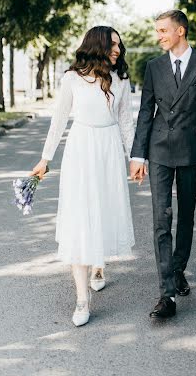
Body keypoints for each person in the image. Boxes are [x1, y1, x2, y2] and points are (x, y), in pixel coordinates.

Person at [130, 10, 196, 319]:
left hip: (192, 149)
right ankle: (166, 295)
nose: (159, 35)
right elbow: (146, 112)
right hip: (159, 149)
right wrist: (138, 155)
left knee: (186, 215)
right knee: (162, 219)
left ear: (180, 31)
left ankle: (177, 268)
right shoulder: (153, 67)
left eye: (163, 30)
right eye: (157, 30)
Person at [30, 26, 135, 327]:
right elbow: (59, 119)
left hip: (109, 148)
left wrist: (135, 158)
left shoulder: (121, 79)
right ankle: (81, 299)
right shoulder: (71, 78)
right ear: (98, 45)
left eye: (119, 44)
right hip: (80, 149)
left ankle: (98, 265)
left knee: (102, 209)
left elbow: (126, 121)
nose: (117, 49)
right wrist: (45, 158)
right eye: (112, 44)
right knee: (80, 217)